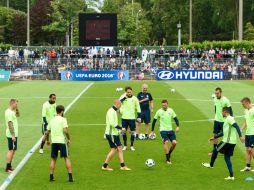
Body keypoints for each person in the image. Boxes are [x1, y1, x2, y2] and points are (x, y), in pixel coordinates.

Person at [202, 107, 244, 180]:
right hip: (232, 142)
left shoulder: (229, 118)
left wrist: (240, 136)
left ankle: (211, 165)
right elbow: (223, 133)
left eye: (222, 112)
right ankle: (231, 176)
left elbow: (237, 126)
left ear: (225, 112)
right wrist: (214, 137)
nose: (221, 113)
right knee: (227, 157)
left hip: (227, 141)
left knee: (215, 150)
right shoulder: (227, 120)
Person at [45, 105, 73, 182]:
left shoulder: (52, 120)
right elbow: (65, 131)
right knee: (66, 158)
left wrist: (47, 140)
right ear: (62, 111)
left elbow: (47, 132)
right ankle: (70, 177)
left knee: (53, 159)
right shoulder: (63, 119)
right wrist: (69, 139)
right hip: (61, 141)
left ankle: (51, 177)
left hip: (54, 142)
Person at [102, 100, 131, 171]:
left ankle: (122, 166)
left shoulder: (114, 111)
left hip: (115, 133)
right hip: (111, 134)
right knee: (114, 149)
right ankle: (105, 166)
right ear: (117, 104)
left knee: (120, 148)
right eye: (120, 105)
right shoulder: (111, 111)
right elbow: (112, 123)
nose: (120, 106)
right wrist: (121, 128)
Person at [151, 99, 180, 164]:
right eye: (162, 105)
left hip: (170, 130)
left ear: (167, 104)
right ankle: (168, 159)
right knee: (166, 142)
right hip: (163, 130)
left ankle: (169, 154)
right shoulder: (159, 111)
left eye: (164, 105)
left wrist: (178, 126)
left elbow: (176, 119)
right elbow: (154, 121)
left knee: (174, 143)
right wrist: (152, 130)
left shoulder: (171, 110)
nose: (163, 106)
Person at [209, 87, 232, 156]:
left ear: (221, 93)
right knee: (215, 135)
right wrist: (215, 116)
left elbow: (230, 110)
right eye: (215, 93)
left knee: (225, 136)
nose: (216, 95)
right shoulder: (215, 98)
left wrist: (230, 119)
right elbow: (215, 107)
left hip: (224, 121)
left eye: (217, 93)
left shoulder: (226, 100)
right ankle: (214, 150)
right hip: (216, 120)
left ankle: (224, 149)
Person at [119, 86, 141, 151]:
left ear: (132, 91)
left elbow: (138, 107)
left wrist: (139, 116)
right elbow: (118, 103)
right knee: (124, 132)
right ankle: (125, 145)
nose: (129, 93)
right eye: (128, 92)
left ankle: (131, 145)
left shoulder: (135, 98)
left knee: (132, 132)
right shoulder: (123, 97)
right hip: (124, 118)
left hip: (132, 118)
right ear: (125, 92)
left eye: (130, 92)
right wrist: (124, 98)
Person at [5, 99, 20, 173]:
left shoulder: (11, 112)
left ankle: (9, 166)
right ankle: (7, 168)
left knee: (13, 150)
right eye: (16, 104)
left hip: (14, 134)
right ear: (12, 103)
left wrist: (17, 109)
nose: (17, 105)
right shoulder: (9, 113)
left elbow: (18, 115)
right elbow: (10, 123)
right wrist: (13, 135)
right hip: (11, 135)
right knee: (11, 150)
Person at [240, 97, 254, 172]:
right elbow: (246, 121)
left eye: (243, 104)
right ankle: (248, 166)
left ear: (247, 102)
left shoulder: (253, 110)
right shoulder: (246, 110)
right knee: (247, 150)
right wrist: (241, 128)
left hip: (253, 133)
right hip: (248, 133)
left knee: (252, 150)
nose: (243, 106)